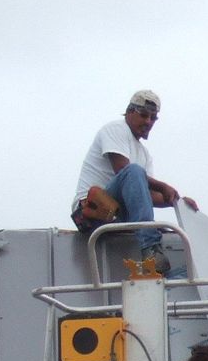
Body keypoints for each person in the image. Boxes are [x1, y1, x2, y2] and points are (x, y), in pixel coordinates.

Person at [70, 89, 197, 270]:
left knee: (136, 174)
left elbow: (145, 196)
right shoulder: (115, 130)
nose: (148, 122)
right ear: (129, 112)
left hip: (117, 215)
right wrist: (163, 186)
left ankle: (149, 245)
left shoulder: (144, 154)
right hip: (92, 210)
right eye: (143, 115)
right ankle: (151, 249)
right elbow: (123, 169)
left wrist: (177, 201)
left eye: (153, 118)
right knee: (134, 171)